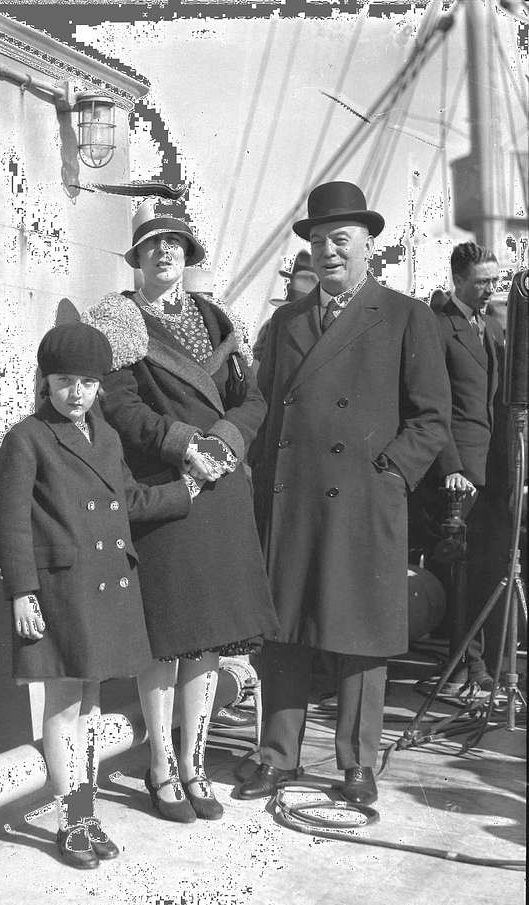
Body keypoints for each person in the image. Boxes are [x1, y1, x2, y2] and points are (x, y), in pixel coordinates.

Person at [244, 181, 451, 805]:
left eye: (341, 240)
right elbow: (267, 408)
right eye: (318, 241)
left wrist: (389, 473)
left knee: (360, 634)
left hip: (364, 501)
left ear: (368, 246)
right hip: (292, 497)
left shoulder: (406, 316)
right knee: (284, 630)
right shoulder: (286, 322)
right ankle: (277, 757)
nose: (328, 252)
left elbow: (432, 416)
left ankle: (357, 764)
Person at [81, 213, 279, 823]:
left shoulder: (220, 319)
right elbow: (119, 403)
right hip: (169, 490)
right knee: (165, 641)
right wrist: (184, 444)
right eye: (151, 245)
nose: (163, 253)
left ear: (187, 253)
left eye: (173, 244)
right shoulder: (116, 321)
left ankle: (195, 768)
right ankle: (160, 769)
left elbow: (253, 399)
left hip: (222, 492)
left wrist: (224, 439)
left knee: (208, 645)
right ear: (135, 257)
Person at [0, 323, 201, 868]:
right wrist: (22, 593)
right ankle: (71, 822)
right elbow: (11, 524)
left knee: (89, 710)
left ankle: (85, 815)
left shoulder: (105, 437)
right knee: (64, 707)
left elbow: (127, 499)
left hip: (104, 588)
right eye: (65, 382)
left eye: (87, 383)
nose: (77, 393)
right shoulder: (26, 438)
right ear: (46, 382)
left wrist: (185, 493)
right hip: (60, 592)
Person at [412, 243, 506, 697]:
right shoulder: (436, 326)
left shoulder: (489, 324)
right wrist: (450, 466)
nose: (493, 286)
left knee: (485, 565)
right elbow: (434, 405)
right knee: (460, 569)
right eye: (484, 280)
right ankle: (465, 663)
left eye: (495, 278)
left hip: (488, 466)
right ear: (459, 279)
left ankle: (477, 661)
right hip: (456, 472)